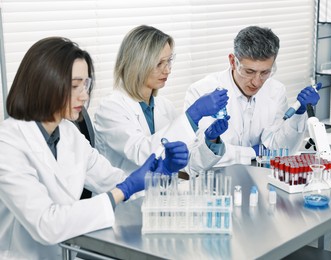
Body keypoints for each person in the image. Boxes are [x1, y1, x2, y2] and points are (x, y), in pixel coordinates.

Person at [0, 37, 189, 259]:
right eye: (74, 86)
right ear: (44, 84)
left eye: (86, 85)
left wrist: (155, 177)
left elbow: (112, 180)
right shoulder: (8, 144)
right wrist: (125, 188)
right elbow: (46, 224)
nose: (85, 95)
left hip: (67, 251)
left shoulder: (69, 134)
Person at [94, 25, 230, 175]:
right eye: (159, 63)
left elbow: (186, 166)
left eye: (169, 61)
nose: (167, 70)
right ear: (137, 64)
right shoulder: (110, 108)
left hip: (162, 194)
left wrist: (211, 141)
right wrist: (194, 114)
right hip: (129, 198)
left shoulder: (165, 106)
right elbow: (143, 153)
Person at [184, 26, 321, 167]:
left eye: (265, 72)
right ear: (233, 61)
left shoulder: (276, 90)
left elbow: (280, 150)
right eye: (249, 71)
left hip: (260, 179)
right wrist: (256, 152)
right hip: (216, 181)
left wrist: (299, 114)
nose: (257, 82)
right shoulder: (202, 92)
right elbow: (198, 160)